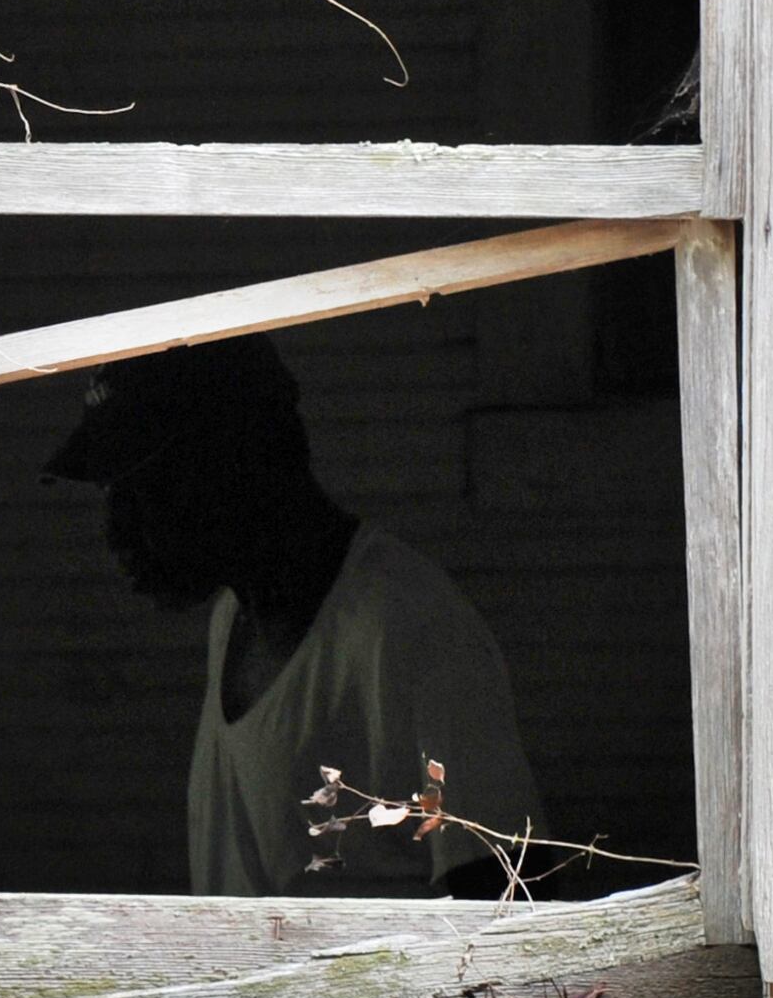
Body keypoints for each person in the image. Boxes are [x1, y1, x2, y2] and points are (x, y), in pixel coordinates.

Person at [46, 332, 540, 897]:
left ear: (234, 458)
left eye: (142, 489)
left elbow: (506, 909)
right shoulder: (233, 619)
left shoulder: (408, 629)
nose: (114, 531)